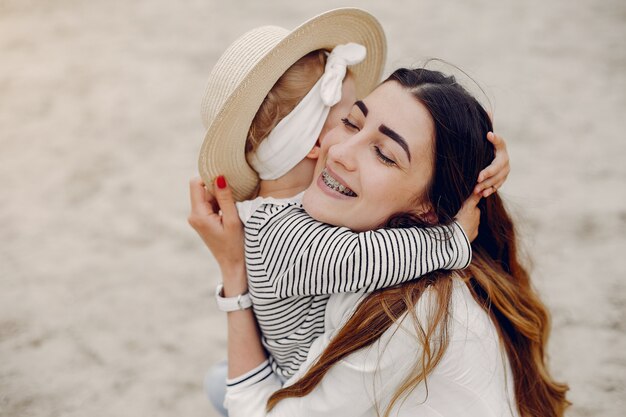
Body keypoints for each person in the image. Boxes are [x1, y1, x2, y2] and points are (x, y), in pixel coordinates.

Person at [189, 67, 569, 416]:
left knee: (225, 387)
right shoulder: (361, 236)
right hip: (306, 372)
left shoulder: (409, 313)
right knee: (218, 380)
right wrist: (474, 189)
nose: (338, 152)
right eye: (352, 123)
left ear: (429, 211)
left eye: (385, 155)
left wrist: (233, 274)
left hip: (300, 385)